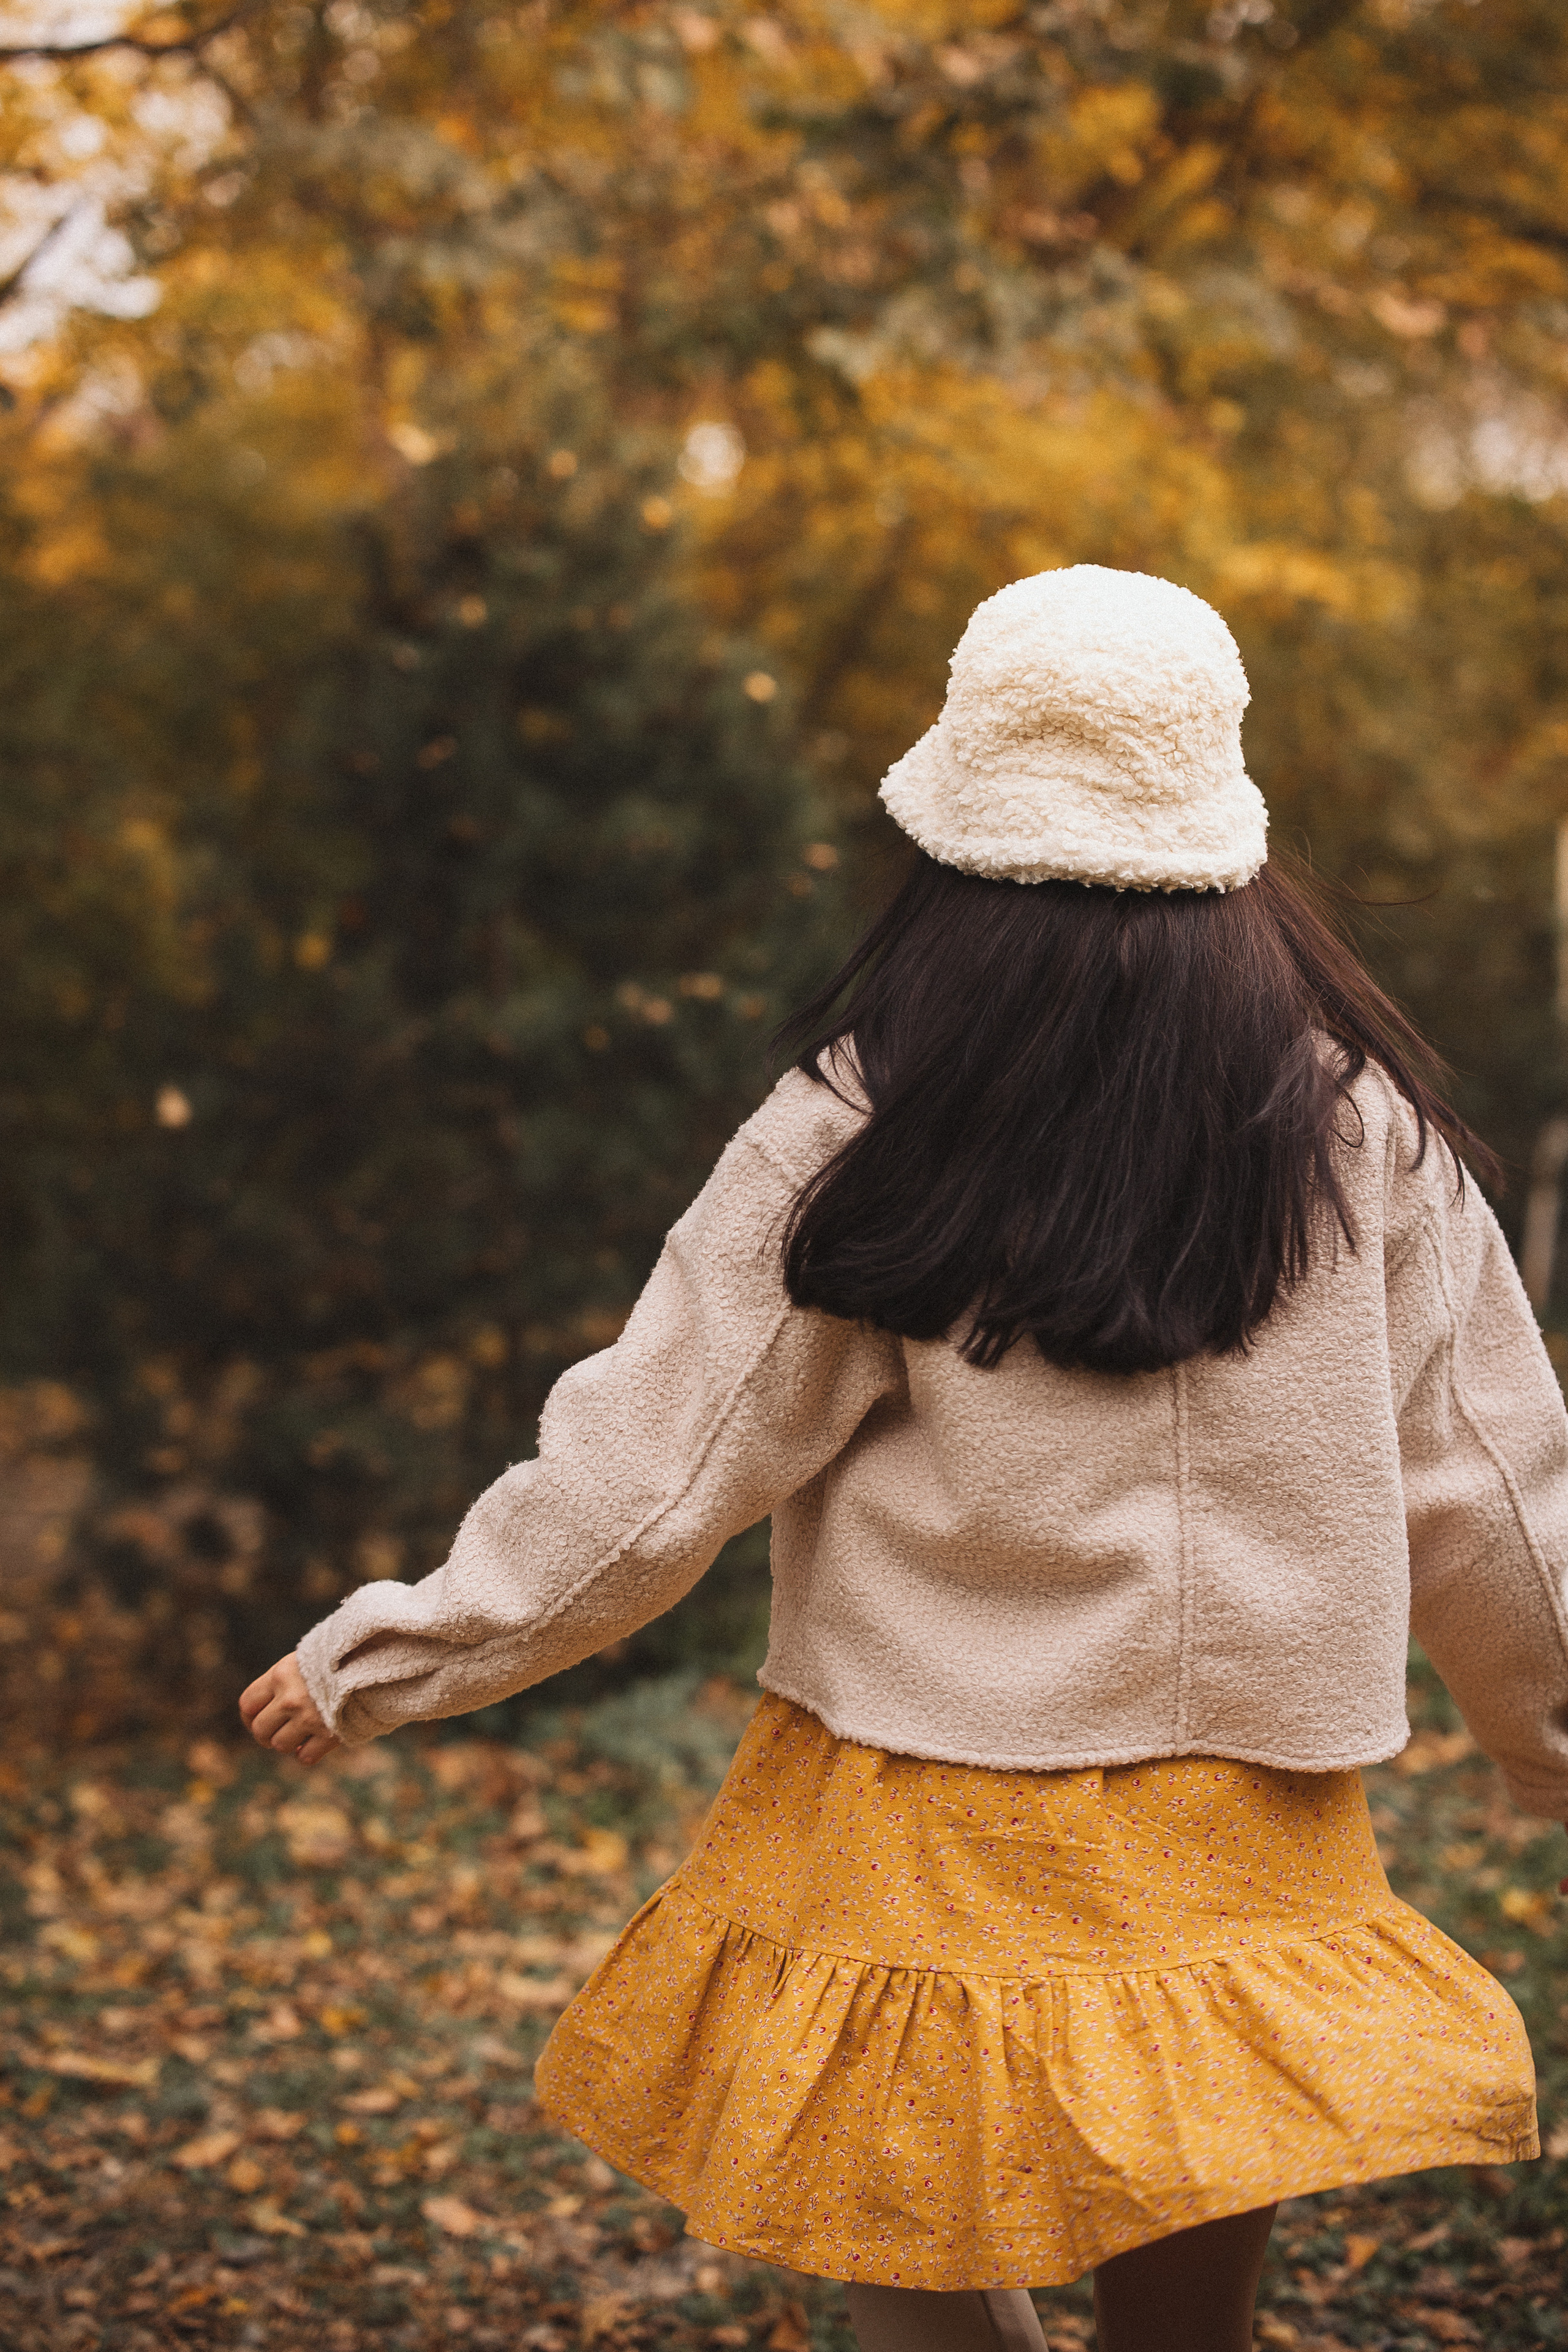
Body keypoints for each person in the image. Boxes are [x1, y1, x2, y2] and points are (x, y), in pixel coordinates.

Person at [242, 567, 1568, 2352]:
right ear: (1226, 826)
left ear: (950, 829)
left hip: (907, 1822)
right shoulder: (1359, 1136)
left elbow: (652, 1467)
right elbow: (1493, 1488)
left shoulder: (864, 1122)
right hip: (1231, 1826)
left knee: (917, 2299)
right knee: (1187, 2336)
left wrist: (399, 1650)